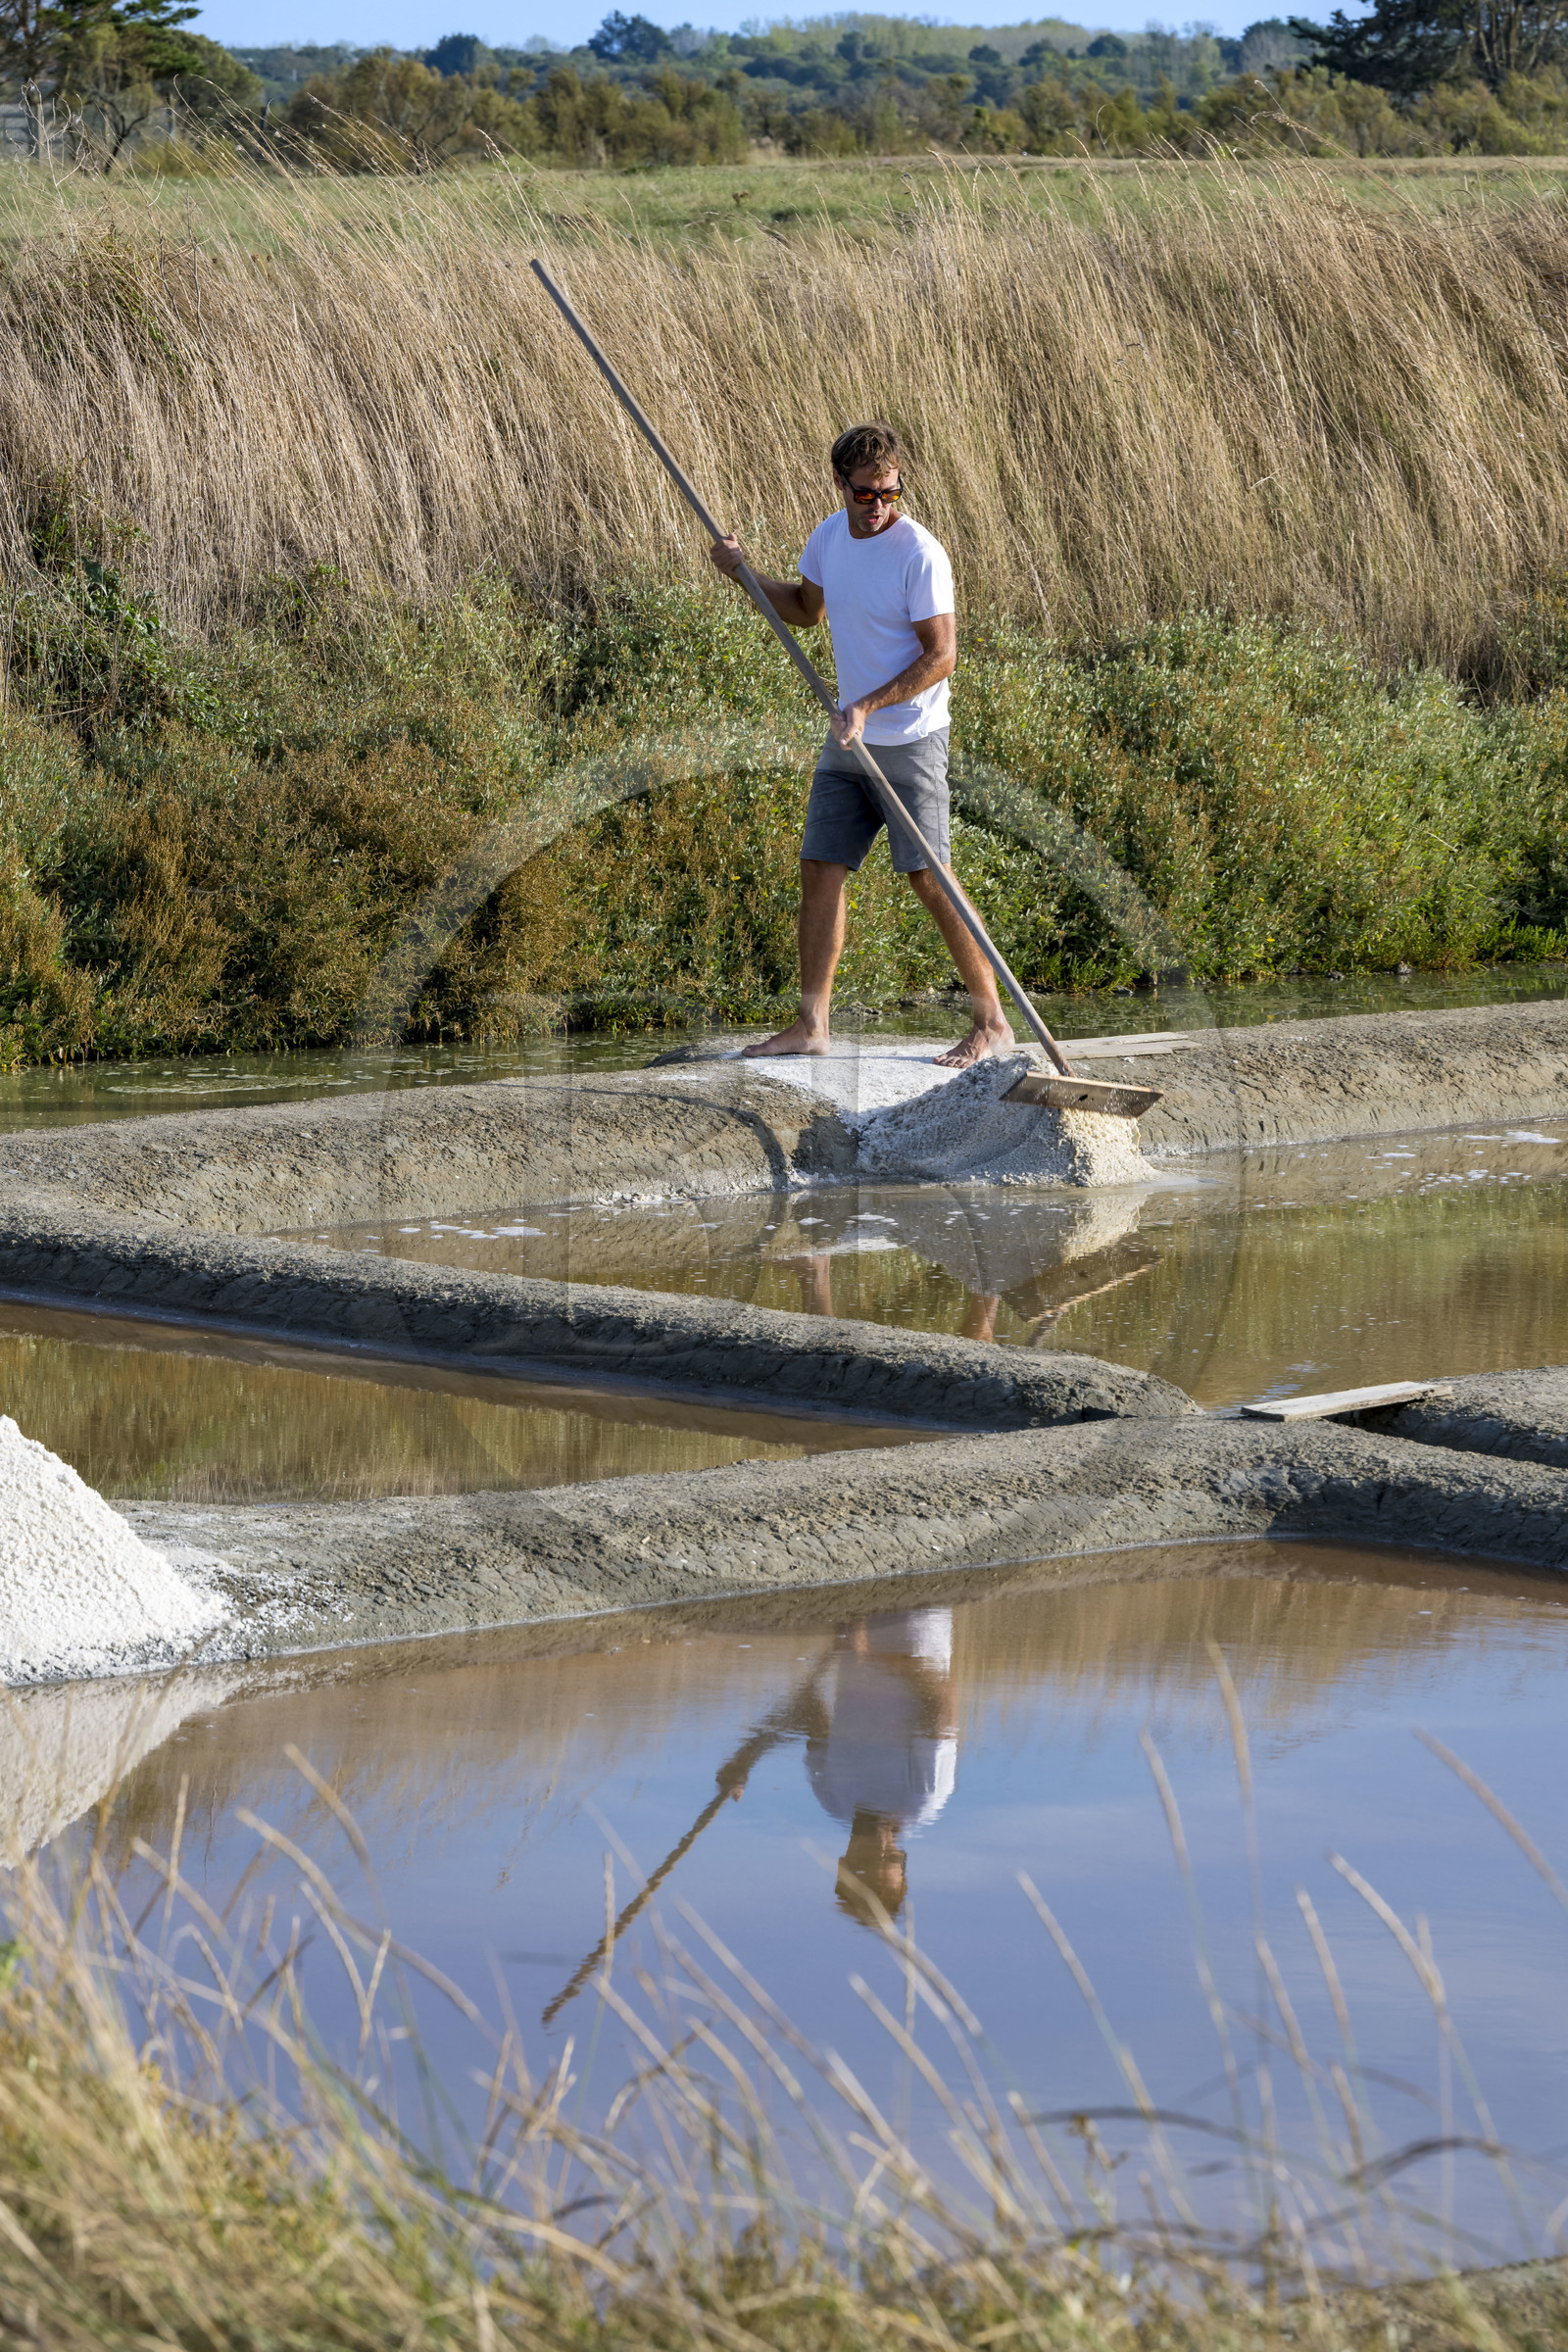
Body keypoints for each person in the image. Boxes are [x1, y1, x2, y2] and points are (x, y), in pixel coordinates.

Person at [709, 421, 1014, 1073]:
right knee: (821, 867)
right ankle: (811, 1024)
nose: (879, 506)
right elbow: (804, 608)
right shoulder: (828, 537)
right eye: (866, 494)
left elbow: (942, 657)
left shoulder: (919, 554)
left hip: (909, 740)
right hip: (848, 741)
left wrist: (868, 705)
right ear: (840, 485)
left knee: (929, 878)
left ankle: (991, 1022)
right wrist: (744, 576)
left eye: (889, 492)